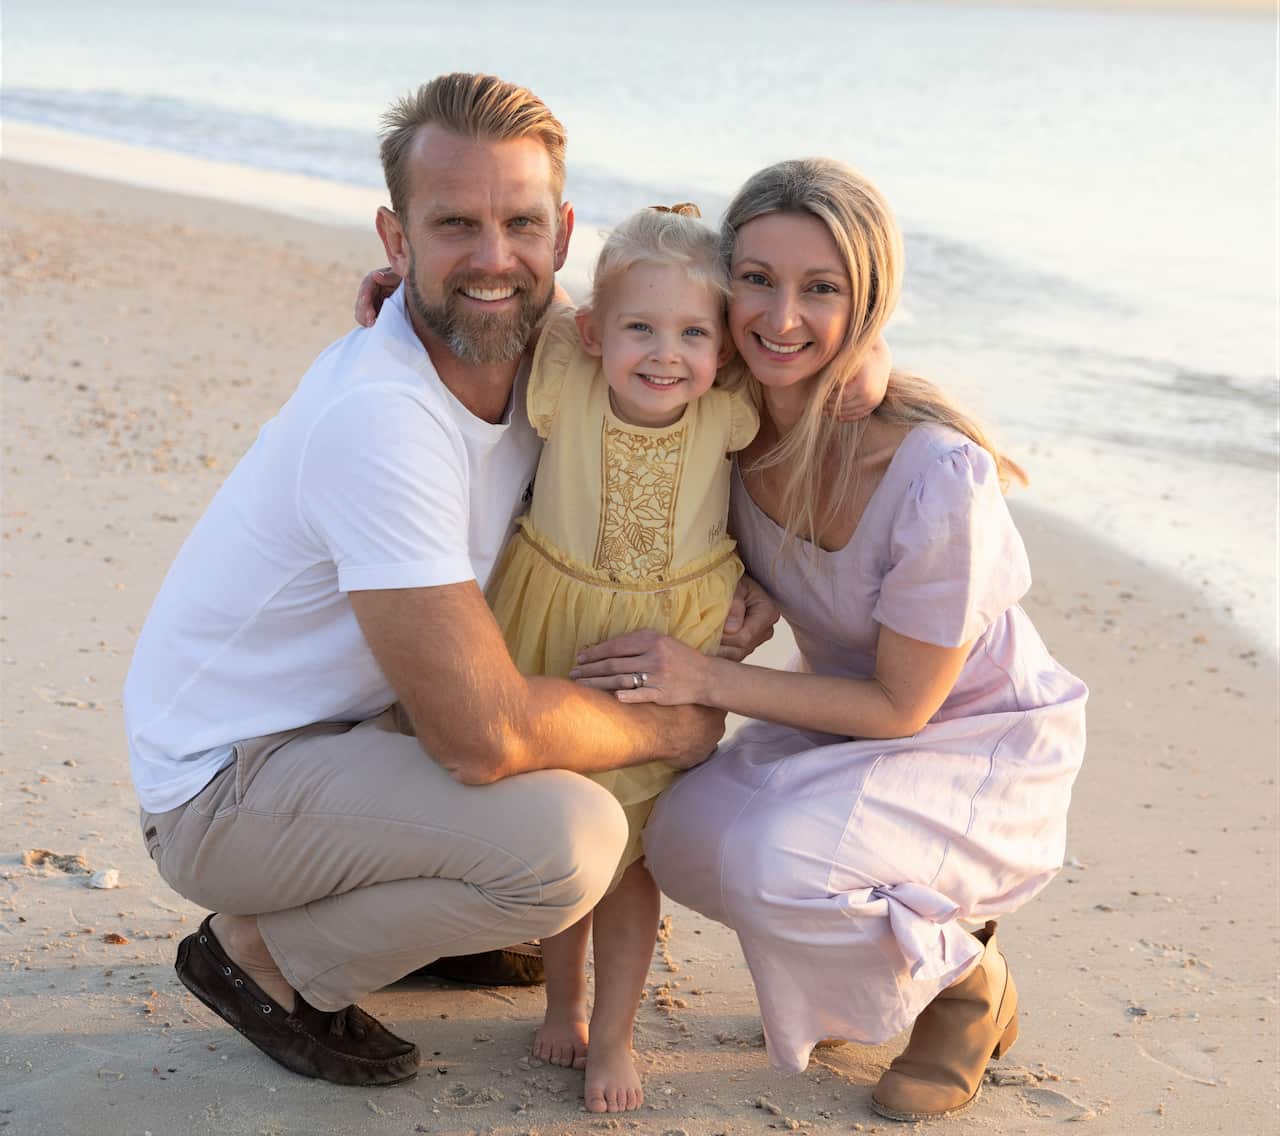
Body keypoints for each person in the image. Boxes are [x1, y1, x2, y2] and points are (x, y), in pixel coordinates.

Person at [121, 72, 779, 1090]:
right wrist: (670, 725)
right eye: (453, 225)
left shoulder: (545, 350)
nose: (492, 257)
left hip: (345, 731)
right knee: (570, 846)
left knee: (543, 828)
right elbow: (482, 737)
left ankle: (412, 903)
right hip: (227, 782)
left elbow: (696, 336)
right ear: (396, 238)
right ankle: (264, 954)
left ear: (561, 235)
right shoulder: (383, 419)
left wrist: (857, 394)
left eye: (518, 223)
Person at [569, 158, 1088, 1122]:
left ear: (871, 304)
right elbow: (595, 329)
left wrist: (703, 678)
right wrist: (756, 585)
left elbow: (903, 706)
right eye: (757, 280)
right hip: (842, 726)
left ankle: (966, 982)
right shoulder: (724, 419)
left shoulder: (934, 474)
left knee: (777, 865)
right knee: (677, 840)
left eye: (822, 291)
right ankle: (874, 946)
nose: (780, 318)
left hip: (970, 739)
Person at [487, 202, 752, 1112]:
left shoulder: (728, 407)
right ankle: (562, 1000)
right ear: (597, 332)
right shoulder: (569, 375)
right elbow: (523, 302)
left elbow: (840, 368)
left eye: (691, 332)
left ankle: (621, 1031)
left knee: (632, 861)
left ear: (725, 348)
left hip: (664, 648)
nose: (664, 353)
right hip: (555, 627)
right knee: (565, 832)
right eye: (639, 326)